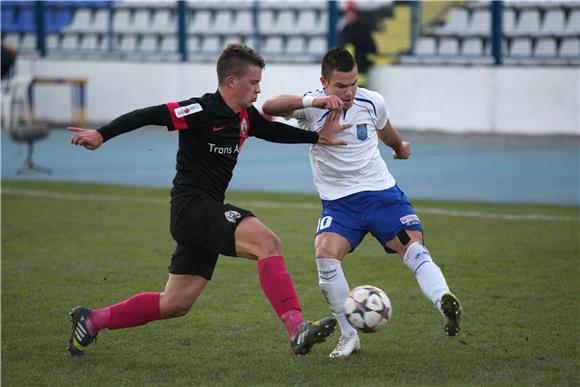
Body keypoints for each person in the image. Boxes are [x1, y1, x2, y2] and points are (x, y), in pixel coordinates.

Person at [66, 44, 350, 357]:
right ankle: (297, 328)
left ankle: (91, 320)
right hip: (193, 208)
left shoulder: (244, 116)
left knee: (175, 304)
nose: (259, 89)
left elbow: (271, 130)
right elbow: (146, 115)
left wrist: (317, 136)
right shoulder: (200, 111)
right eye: (253, 83)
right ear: (231, 82)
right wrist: (101, 135)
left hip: (202, 213)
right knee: (268, 243)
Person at [262, 47, 463, 358]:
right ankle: (349, 335)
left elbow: (386, 132)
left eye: (353, 83)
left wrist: (401, 147)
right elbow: (269, 106)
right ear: (324, 82)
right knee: (325, 257)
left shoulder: (371, 101)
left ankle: (443, 300)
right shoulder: (312, 106)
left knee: (413, 249)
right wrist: (314, 102)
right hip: (340, 206)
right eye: (340, 86)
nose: (348, 92)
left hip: (383, 196)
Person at [339, 0, 376, 88]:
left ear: (356, 14)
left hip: (360, 71)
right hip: (346, 71)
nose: (349, 15)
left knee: (359, 96)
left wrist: (366, 62)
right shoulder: (345, 30)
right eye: (347, 13)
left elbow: (372, 49)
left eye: (352, 13)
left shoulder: (362, 29)